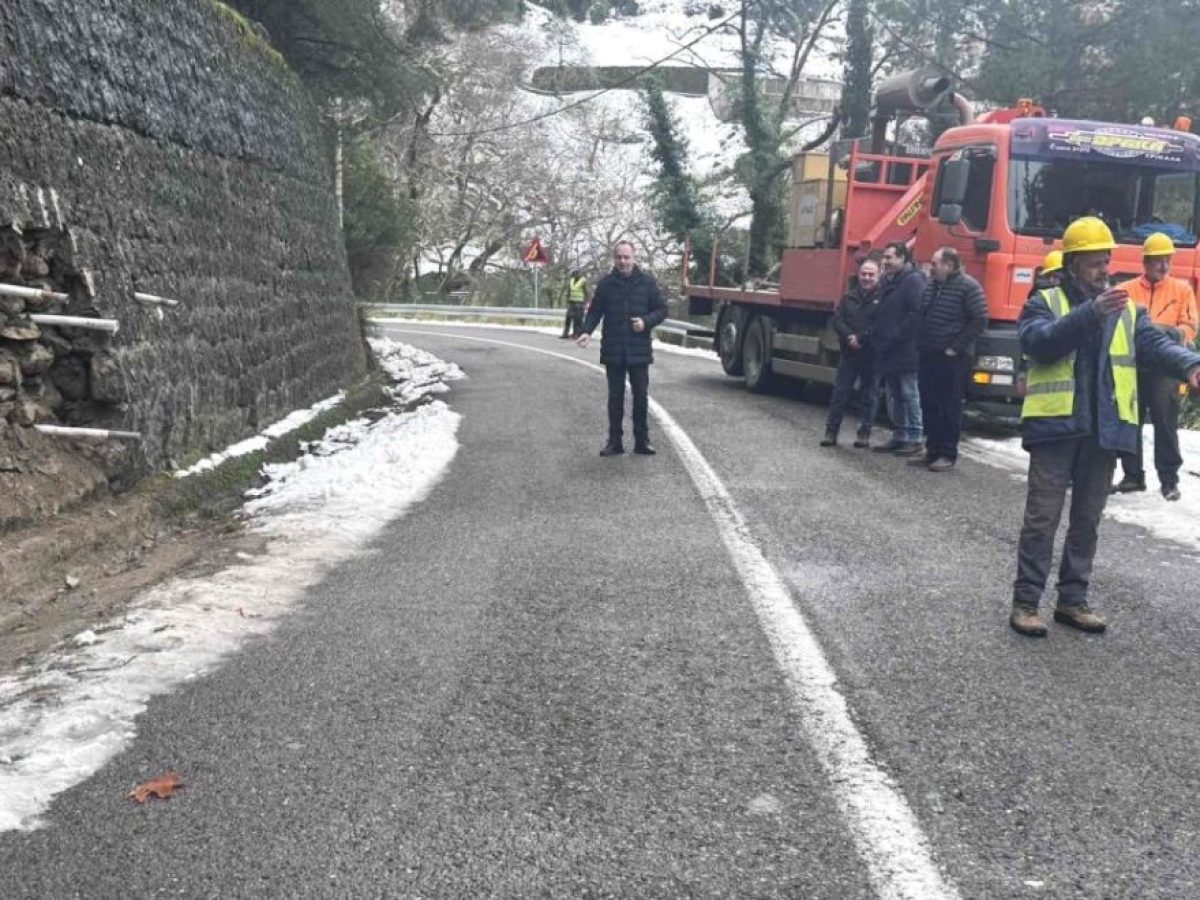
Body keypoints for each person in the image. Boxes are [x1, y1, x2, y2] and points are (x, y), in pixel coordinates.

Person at [1008, 217, 1200, 638]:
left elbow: (1155, 344)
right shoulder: (1045, 301)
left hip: (1103, 432)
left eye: (1106, 261)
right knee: (1042, 519)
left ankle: (1072, 601)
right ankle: (1026, 603)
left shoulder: (1126, 308)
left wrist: (1189, 364)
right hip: (1056, 431)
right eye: (1095, 263)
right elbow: (1040, 343)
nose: (1104, 270)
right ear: (1074, 263)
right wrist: (1089, 315)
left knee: (1087, 521)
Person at [1110, 233, 1199, 501]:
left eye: (1167, 261)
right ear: (1146, 262)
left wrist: (1168, 334)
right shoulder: (1126, 289)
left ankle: (1169, 480)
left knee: (1165, 422)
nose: (1163, 266)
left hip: (1165, 367)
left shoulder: (1182, 290)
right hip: (1133, 365)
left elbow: (1191, 326)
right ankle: (1132, 476)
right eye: (1158, 261)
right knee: (1130, 421)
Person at [576, 241, 668, 456]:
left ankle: (642, 441)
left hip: (639, 350)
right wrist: (586, 332)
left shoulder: (647, 283)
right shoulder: (606, 285)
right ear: (614, 258)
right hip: (613, 349)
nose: (623, 261)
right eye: (619, 257)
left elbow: (662, 309)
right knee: (615, 398)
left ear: (634, 257)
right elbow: (595, 312)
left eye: (626, 257)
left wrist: (645, 322)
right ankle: (614, 441)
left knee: (640, 397)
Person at [914, 247, 987, 471]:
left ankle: (947, 454)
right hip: (929, 354)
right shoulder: (932, 286)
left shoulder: (968, 286)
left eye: (935, 263)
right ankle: (932, 450)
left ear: (949, 265)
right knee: (929, 404)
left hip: (953, 359)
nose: (931, 267)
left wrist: (955, 348)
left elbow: (979, 320)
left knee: (949, 407)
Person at [871, 241, 926, 456]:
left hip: (906, 348)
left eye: (889, 257)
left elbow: (916, 314)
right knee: (894, 393)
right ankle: (900, 435)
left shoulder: (913, 281)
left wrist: (897, 335)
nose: (885, 262)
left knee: (908, 393)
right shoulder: (888, 280)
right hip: (889, 348)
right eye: (884, 258)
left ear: (903, 258)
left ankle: (915, 437)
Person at [822, 257, 882, 448]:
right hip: (849, 353)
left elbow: (881, 324)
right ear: (859, 275)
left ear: (878, 276)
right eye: (864, 274)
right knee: (840, 393)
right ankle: (831, 433)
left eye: (871, 274)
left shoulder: (883, 299)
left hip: (871, 354)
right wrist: (849, 337)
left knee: (869, 395)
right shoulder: (848, 297)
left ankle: (864, 434)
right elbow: (837, 320)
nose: (866, 278)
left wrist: (862, 338)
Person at [560, 269, 589, 339]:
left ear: (579, 275)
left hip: (580, 303)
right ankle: (565, 333)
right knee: (568, 318)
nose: (575, 276)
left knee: (578, 320)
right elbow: (569, 292)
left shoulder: (583, 281)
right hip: (572, 303)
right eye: (574, 274)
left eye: (577, 274)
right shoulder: (571, 281)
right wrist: (567, 301)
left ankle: (577, 334)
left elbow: (587, 292)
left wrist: (586, 303)